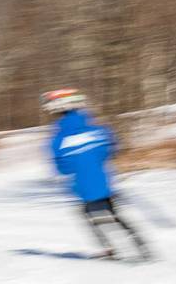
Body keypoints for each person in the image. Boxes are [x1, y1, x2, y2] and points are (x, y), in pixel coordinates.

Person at [44, 88, 152, 261]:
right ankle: (141, 247)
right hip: (105, 182)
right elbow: (111, 150)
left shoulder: (58, 139)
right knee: (114, 215)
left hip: (84, 186)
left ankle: (111, 250)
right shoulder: (100, 130)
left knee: (90, 215)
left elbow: (63, 169)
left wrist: (78, 162)